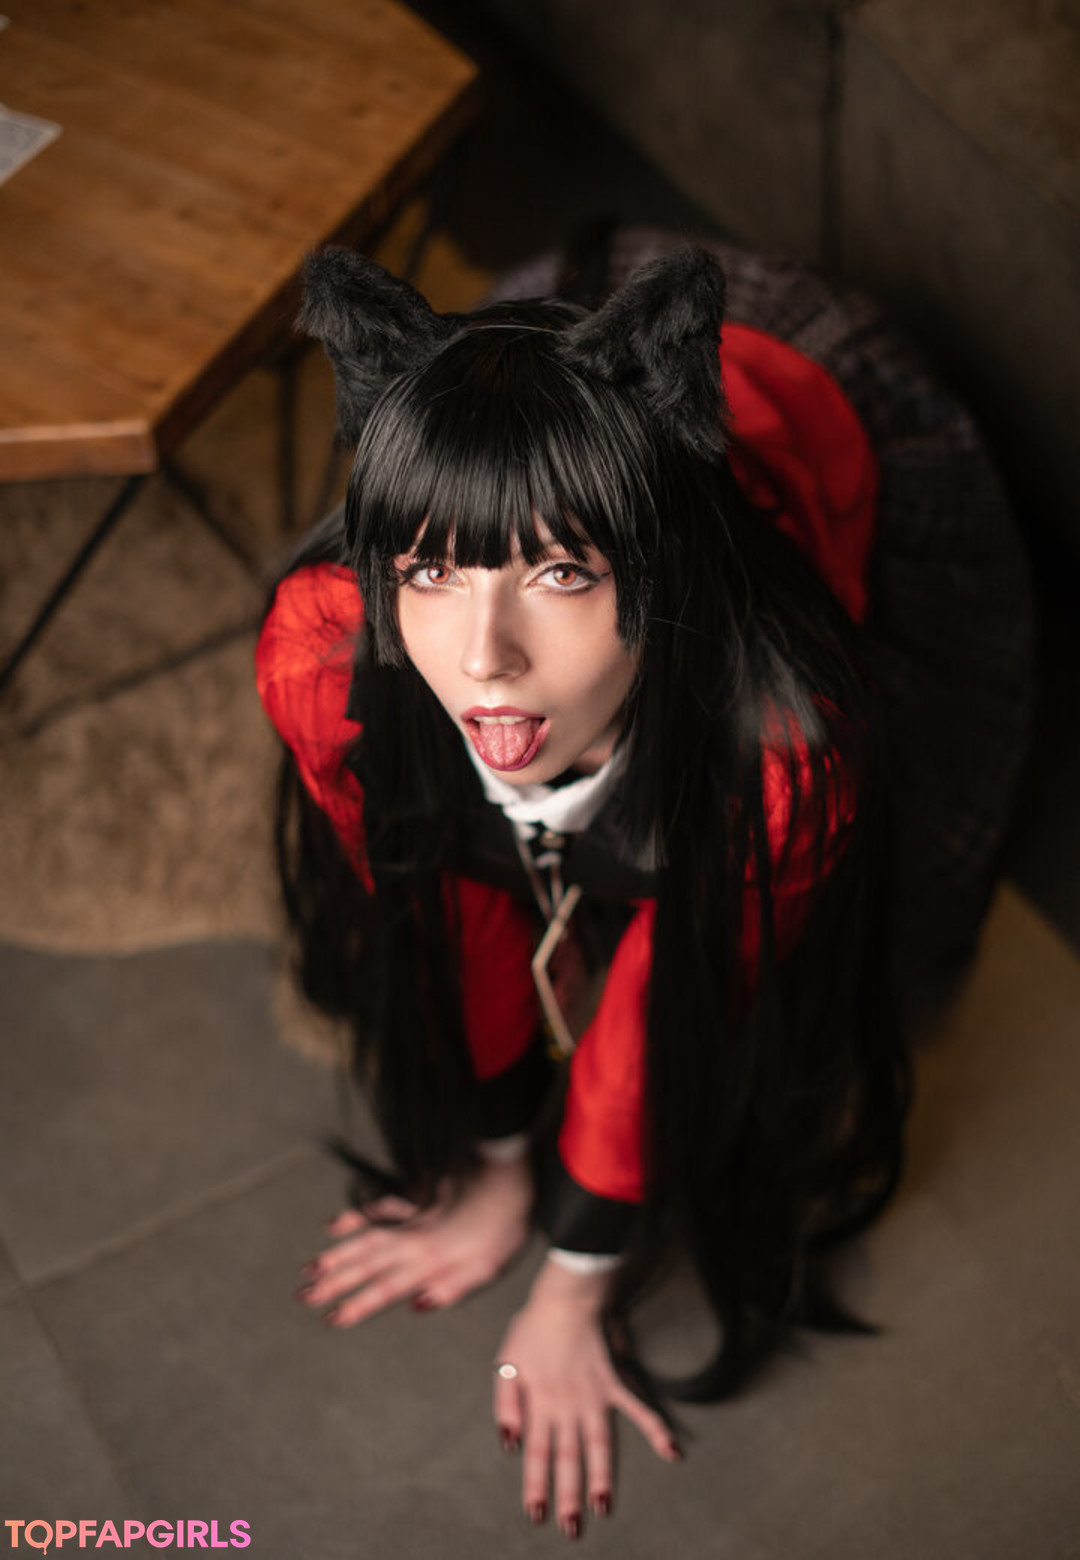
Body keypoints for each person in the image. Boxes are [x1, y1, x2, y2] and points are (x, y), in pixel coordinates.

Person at [254, 240, 1028, 1537]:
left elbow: (686, 991)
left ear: (648, 578)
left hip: (802, 395)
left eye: (561, 574)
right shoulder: (328, 653)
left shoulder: (781, 751)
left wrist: (576, 1279)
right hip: (547, 360)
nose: (484, 660)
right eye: (432, 572)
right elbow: (439, 899)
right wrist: (495, 1160)